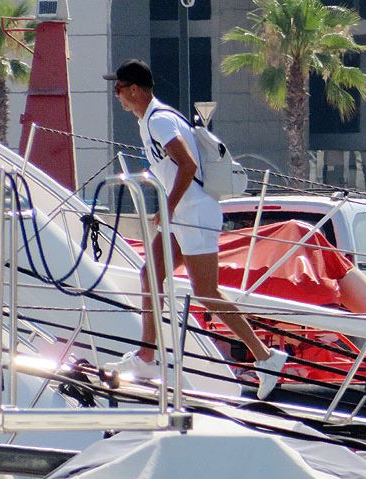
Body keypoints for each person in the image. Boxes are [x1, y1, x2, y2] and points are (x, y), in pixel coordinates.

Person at [102, 59, 287, 399]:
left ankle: (266, 357)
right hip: (182, 212)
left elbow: (186, 165)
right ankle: (147, 355)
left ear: (134, 90)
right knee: (150, 273)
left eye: (119, 89)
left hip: (195, 213)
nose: (117, 96)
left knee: (206, 293)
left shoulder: (159, 121)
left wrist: (166, 208)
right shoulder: (149, 121)